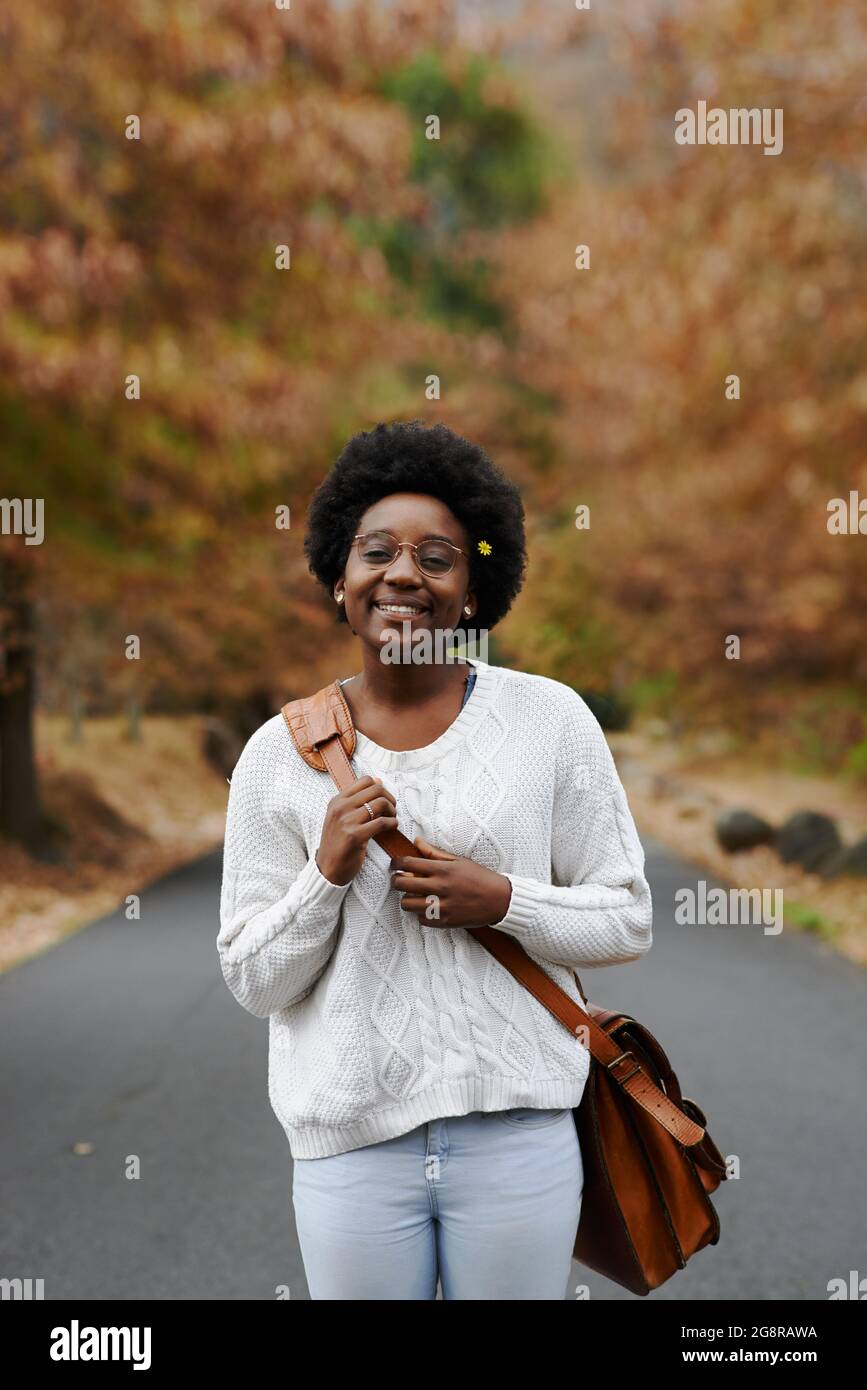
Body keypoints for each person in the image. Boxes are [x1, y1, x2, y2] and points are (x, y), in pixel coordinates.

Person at [216, 419, 653, 1299]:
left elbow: (626, 918)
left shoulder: (549, 721)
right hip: (351, 1148)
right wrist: (326, 873)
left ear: (473, 589)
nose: (403, 574)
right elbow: (253, 982)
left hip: (518, 1135)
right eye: (376, 552)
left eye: (437, 558)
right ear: (338, 578)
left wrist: (503, 900)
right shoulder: (276, 754)